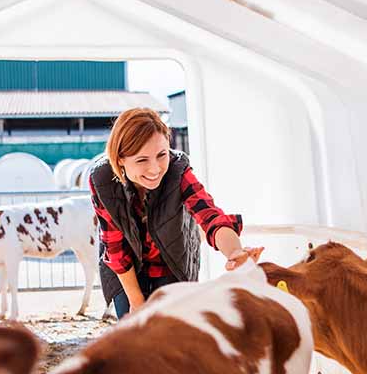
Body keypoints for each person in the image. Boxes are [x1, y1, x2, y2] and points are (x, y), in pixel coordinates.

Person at [89, 107, 262, 319]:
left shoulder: (179, 169)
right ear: (120, 159)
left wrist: (235, 253)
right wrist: (137, 303)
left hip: (173, 263)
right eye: (142, 160)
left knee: (173, 334)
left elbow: (210, 216)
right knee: (136, 334)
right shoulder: (102, 180)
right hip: (128, 272)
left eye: (162, 155)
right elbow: (115, 247)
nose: (155, 169)